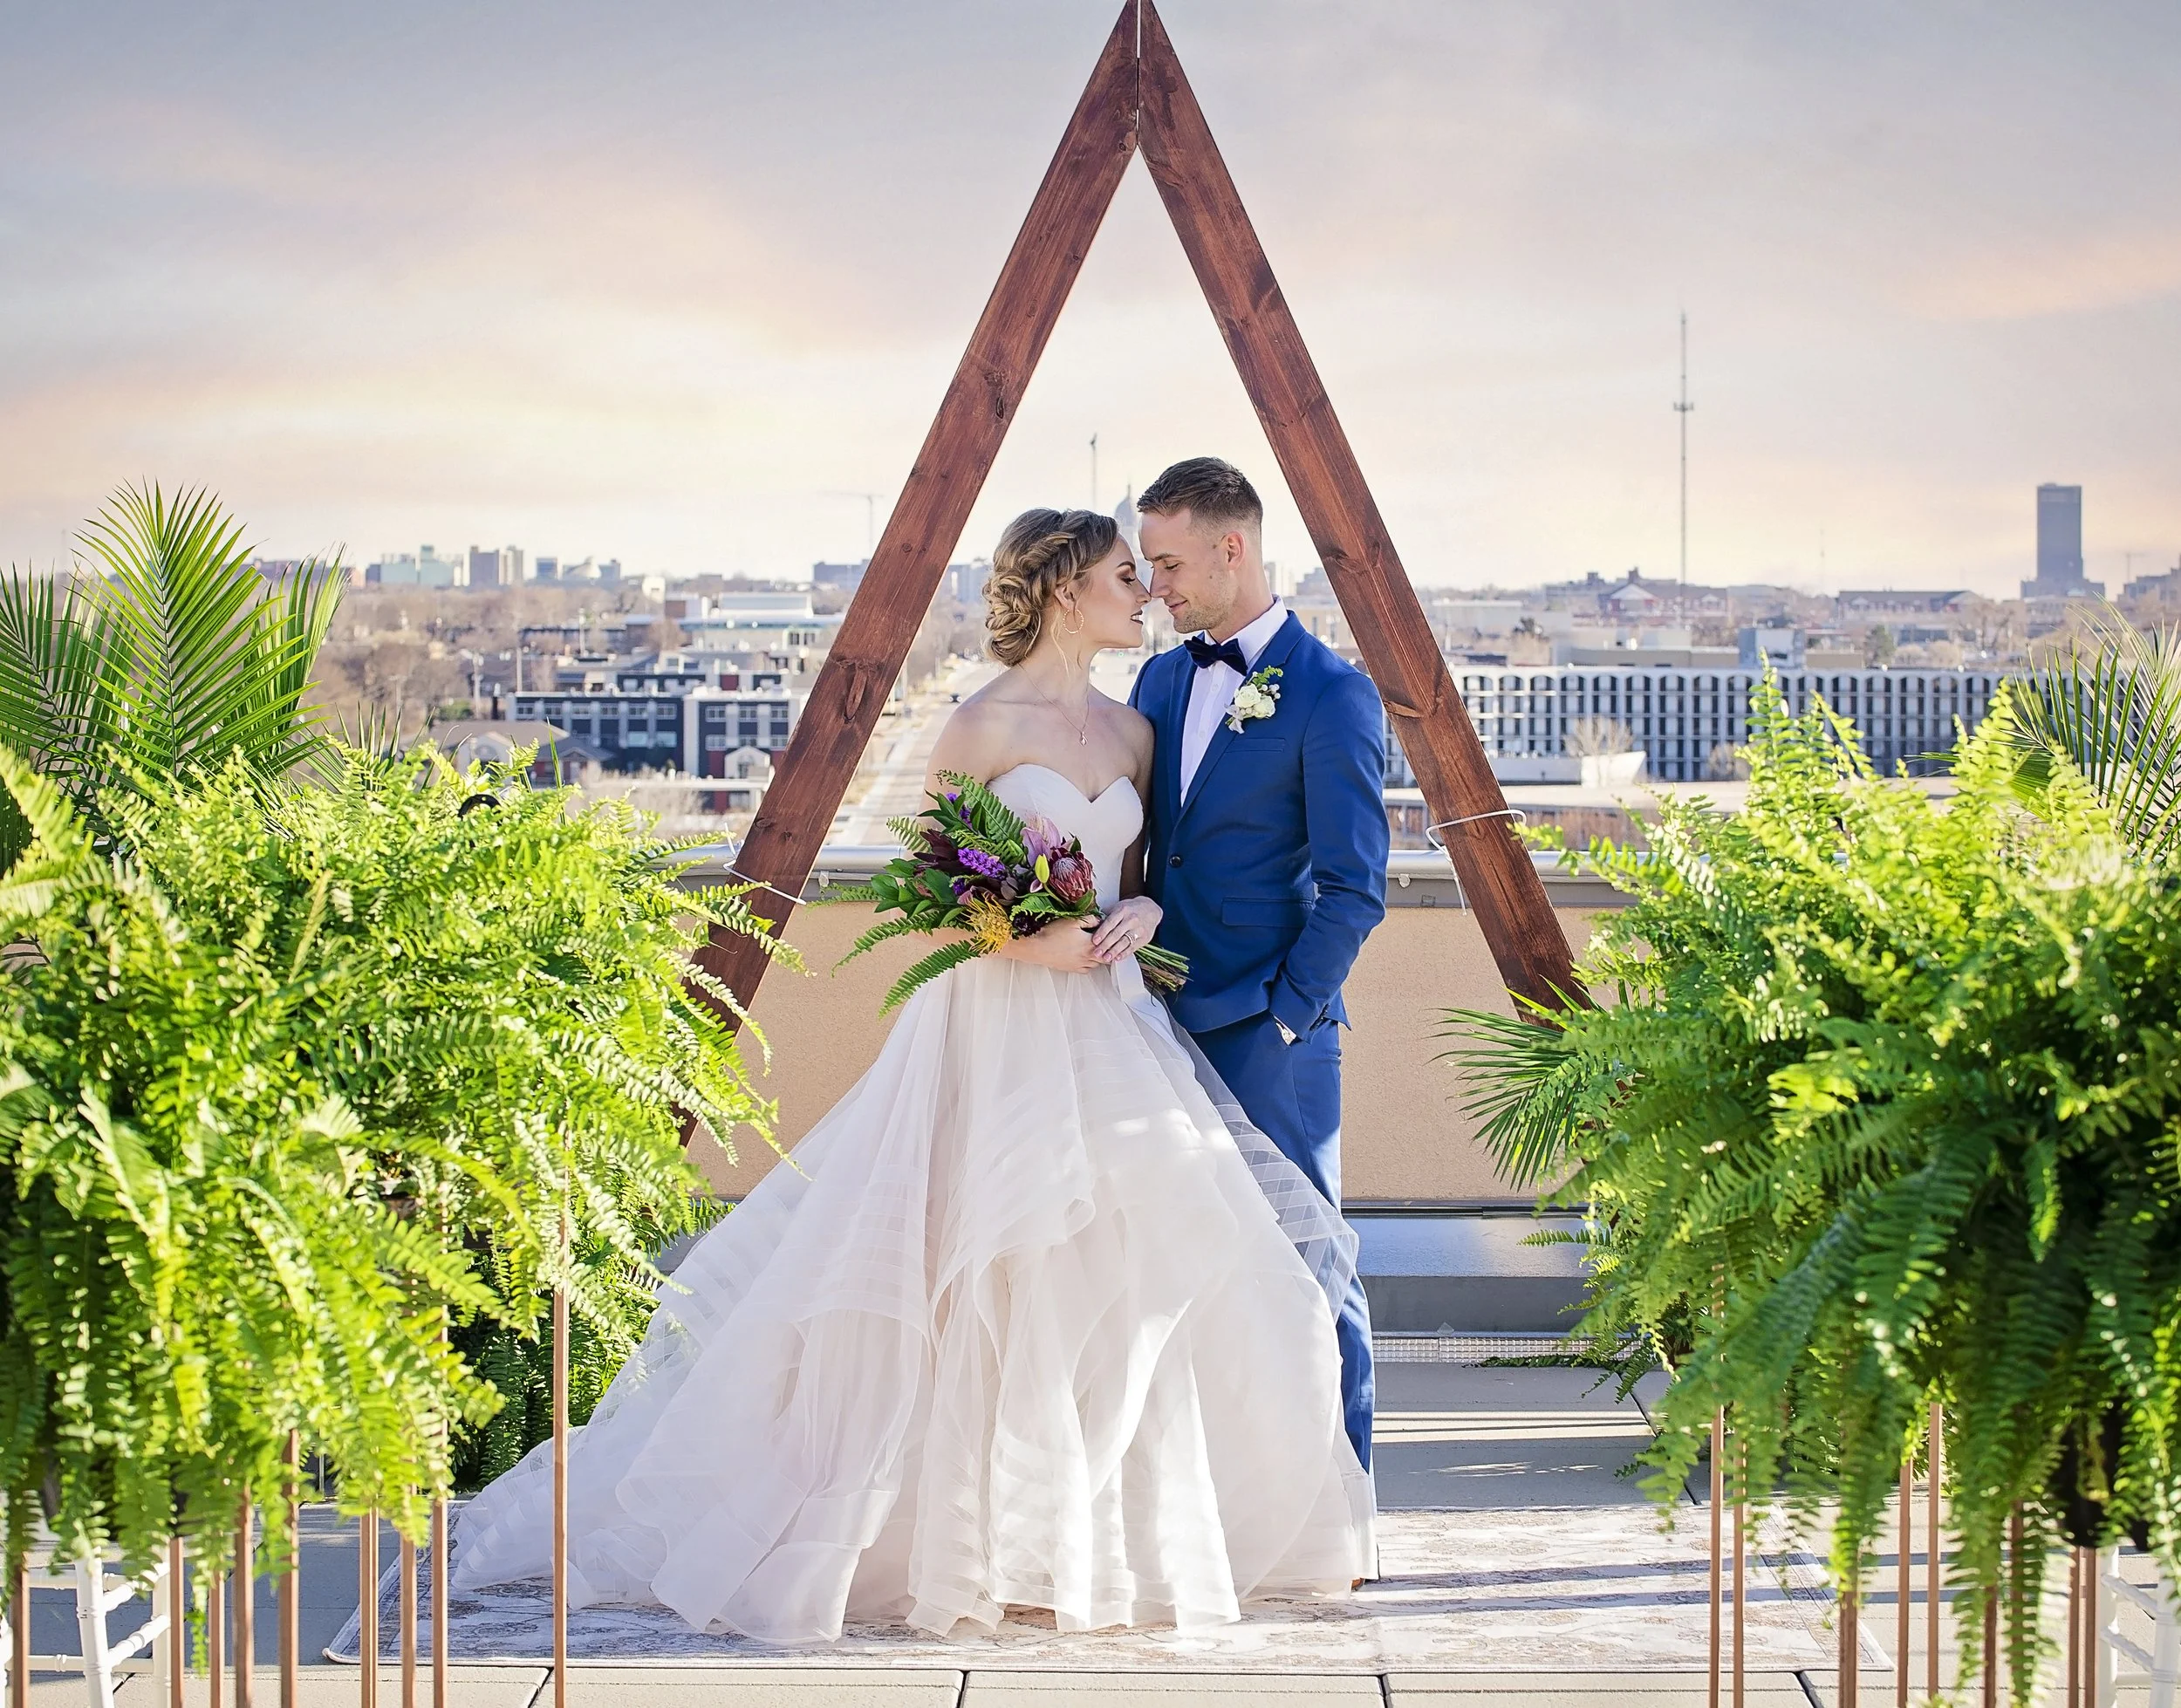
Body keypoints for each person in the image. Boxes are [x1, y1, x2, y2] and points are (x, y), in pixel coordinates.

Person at [451, 505, 1372, 1644]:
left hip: (1106, 1020)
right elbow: (941, 887)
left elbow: (1138, 880)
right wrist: (1032, 943)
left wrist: (1136, 908)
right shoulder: (976, 723)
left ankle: (1066, 1540)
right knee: (974, 1270)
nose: (1145, 593)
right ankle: (950, 1539)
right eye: (1124, 575)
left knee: (1116, 1273)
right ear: (1061, 588)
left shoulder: (1133, 731)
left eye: (1148, 574)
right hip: (994, 1021)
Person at [1129, 456, 1389, 1472]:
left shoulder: (1333, 694)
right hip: (1150, 1023)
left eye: (1169, 563)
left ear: (1232, 547)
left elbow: (1356, 885)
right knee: (1175, 1267)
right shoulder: (1158, 677)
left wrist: (1286, 1014)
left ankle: (1346, 1496)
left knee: (1309, 1266)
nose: (1156, 587)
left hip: (1271, 1034)